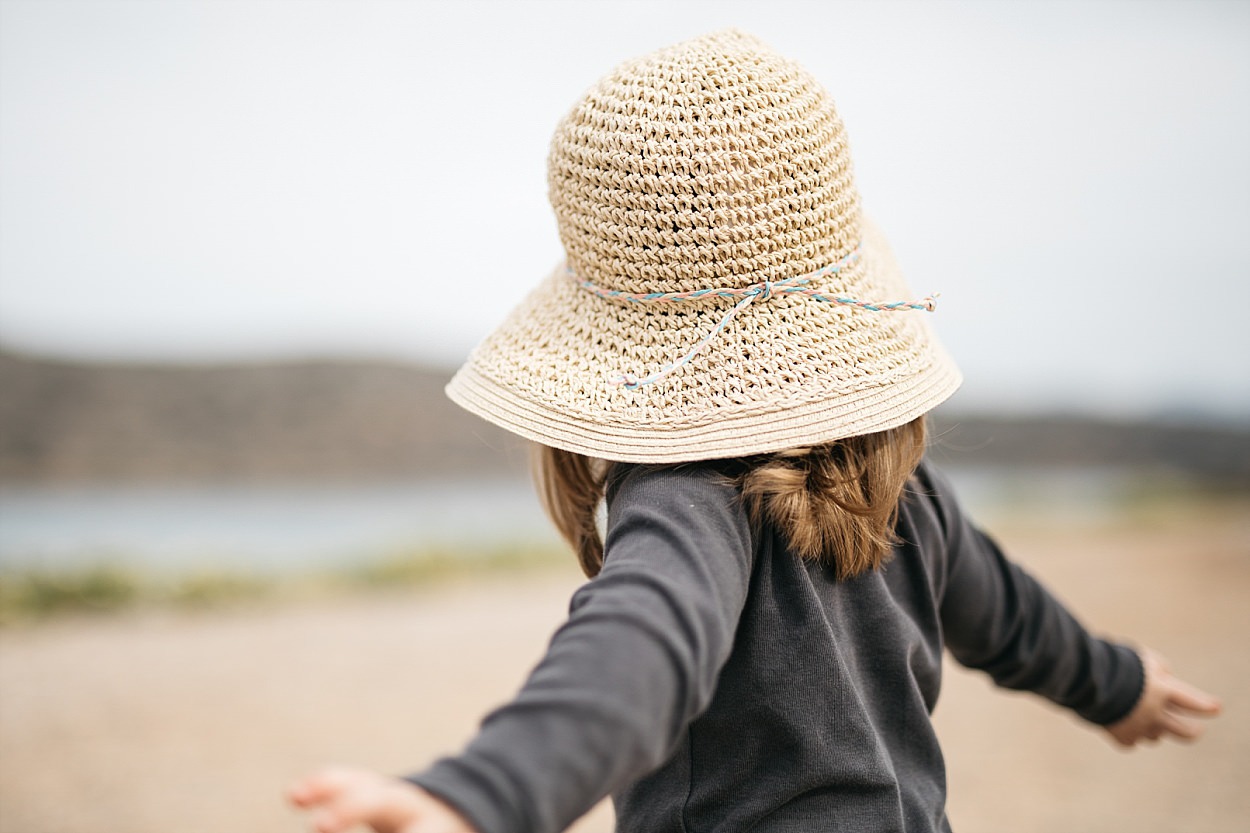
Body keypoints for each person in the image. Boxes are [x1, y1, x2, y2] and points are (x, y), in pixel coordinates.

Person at [287, 30, 1220, 833]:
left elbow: (639, 645)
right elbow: (1008, 615)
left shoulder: (686, 496)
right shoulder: (905, 490)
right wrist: (1115, 682)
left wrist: (483, 794)